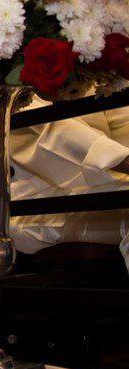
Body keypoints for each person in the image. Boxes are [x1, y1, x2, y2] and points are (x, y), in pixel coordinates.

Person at [10, 96, 129, 268]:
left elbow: (121, 120)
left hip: (103, 177)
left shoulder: (90, 72)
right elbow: (55, 132)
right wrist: (122, 160)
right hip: (32, 201)